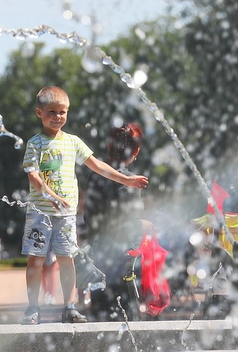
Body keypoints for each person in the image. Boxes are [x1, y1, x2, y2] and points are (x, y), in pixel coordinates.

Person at [20, 86, 149, 325]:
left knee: (67, 258)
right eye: (52, 112)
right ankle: (32, 307)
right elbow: (33, 176)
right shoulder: (35, 144)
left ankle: (70, 307)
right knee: (36, 259)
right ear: (39, 113)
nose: (58, 117)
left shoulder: (73, 142)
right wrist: (51, 196)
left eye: (62, 112)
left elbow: (97, 165)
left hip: (66, 215)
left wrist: (126, 179)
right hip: (41, 213)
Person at [83, 122, 149, 321]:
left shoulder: (94, 177)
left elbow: (89, 218)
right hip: (124, 259)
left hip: (99, 255)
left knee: (100, 316)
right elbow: (125, 225)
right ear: (136, 151)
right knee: (127, 316)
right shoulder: (132, 181)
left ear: (108, 147)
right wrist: (145, 225)